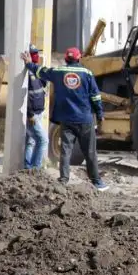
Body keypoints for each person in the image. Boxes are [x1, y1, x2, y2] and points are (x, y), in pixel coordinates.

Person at [21, 47, 109, 192]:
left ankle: (63, 180)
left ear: (66, 59)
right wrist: (100, 115)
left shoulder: (59, 72)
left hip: (67, 120)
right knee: (90, 152)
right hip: (85, 120)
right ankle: (97, 182)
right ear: (79, 58)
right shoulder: (87, 73)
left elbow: (41, 72)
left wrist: (29, 63)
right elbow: (95, 96)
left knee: (66, 151)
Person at [23, 45, 48, 171]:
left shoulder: (36, 70)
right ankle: (35, 168)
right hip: (32, 114)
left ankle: (27, 167)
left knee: (31, 141)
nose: (36, 56)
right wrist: (30, 114)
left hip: (38, 112)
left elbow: (43, 85)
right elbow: (25, 96)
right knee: (43, 140)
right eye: (34, 53)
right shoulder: (26, 73)